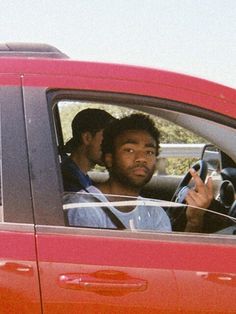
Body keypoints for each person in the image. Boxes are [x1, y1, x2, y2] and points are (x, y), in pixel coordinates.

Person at [64, 113, 214, 232]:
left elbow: (172, 265)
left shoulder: (155, 213)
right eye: (129, 150)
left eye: (149, 152)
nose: (141, 158)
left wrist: (194, 220)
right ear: (109, 159)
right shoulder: (84, 210)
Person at [61, 108, 115, 192]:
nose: (112, 146)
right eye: (107, 139)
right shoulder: (70, 183)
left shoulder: (78, 175)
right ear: (87, 138)